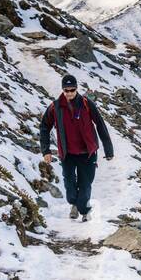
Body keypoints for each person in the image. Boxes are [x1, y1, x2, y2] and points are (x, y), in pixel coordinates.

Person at [39, 74, 114, 222]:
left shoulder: (86, 104)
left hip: (87, 153)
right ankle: (74, 203)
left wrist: (108, 150)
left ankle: (84, 211)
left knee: (85, 185)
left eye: (72, 90)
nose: (69, 93)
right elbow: (44, 127)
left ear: (76, 89)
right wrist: (46, 150)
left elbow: (100, 124)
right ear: (62, 90)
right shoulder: (56, 107)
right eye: (66, 90)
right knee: (70, 185)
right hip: (68, 154)